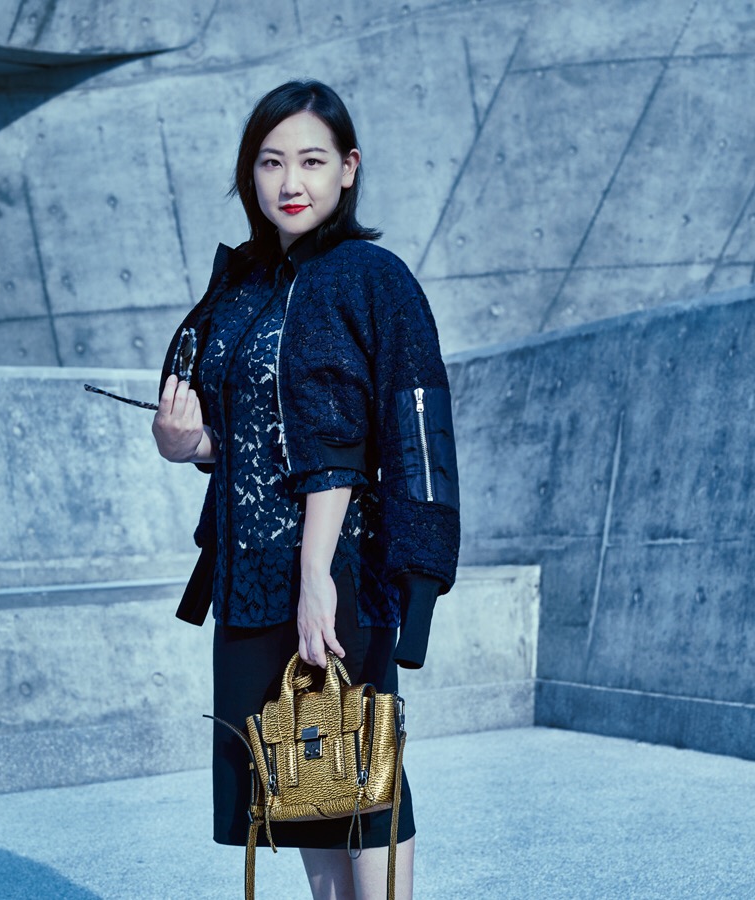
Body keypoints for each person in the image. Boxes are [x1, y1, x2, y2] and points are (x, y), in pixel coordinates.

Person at [151, 80, 460, 900]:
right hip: (251, 577)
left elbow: (354, 435)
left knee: (364, 781)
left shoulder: (369, 276)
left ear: (348, 168)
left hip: (338, 570)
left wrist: (318, 577)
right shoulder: (243, 288)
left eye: (312, 161)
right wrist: (189, 443)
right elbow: (252, 434)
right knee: (302, 791)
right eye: (271, 162)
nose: (291, 182)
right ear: (248, 173)